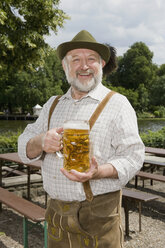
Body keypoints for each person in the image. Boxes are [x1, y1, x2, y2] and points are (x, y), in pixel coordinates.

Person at [18, 30, 144, 248]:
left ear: (102, 64)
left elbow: (133, 157)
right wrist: (40, 141)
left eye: (91, 59)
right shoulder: (52, 104)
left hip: (99, 219)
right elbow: (24, 143)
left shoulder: (118, 104)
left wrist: (98, 172)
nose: (84, 66)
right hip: (56, 216)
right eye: (76, 59)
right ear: (65, 66)